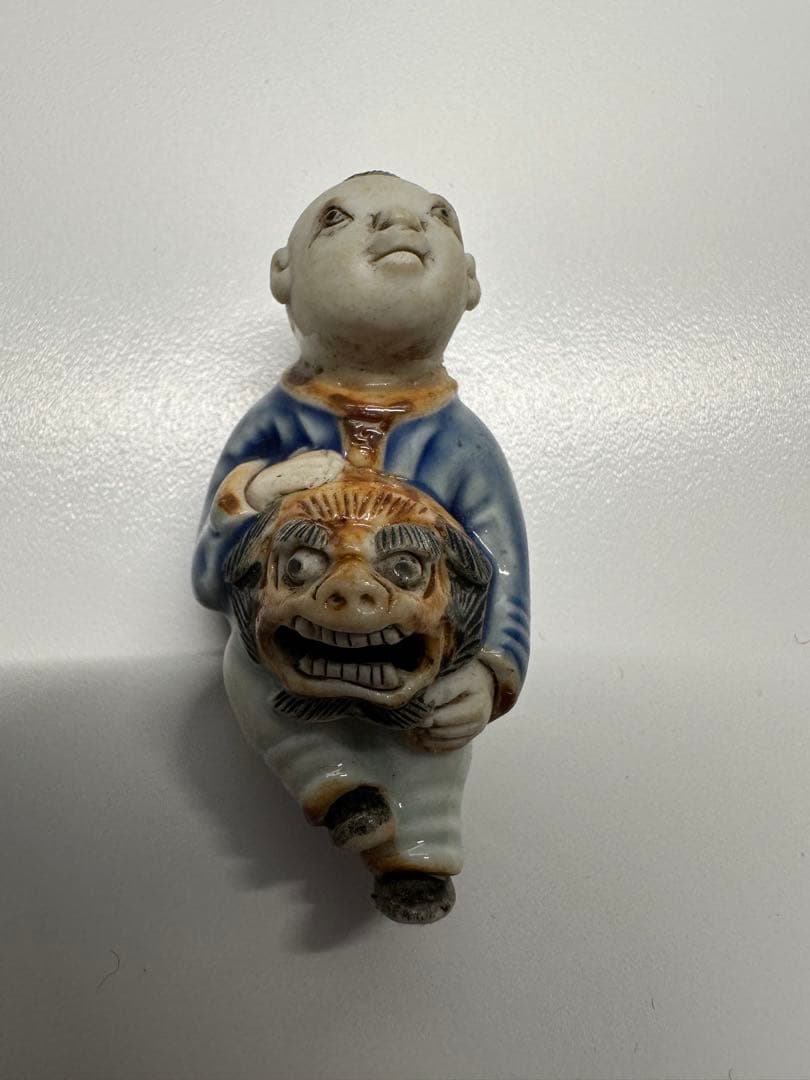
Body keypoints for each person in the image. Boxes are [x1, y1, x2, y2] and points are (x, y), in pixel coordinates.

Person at [193, 171, 530, 922]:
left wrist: (493, 671)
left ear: (469, 282)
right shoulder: (273, 426)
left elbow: (503, 561)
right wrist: (258, 489)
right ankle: (332, 785)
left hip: (417, 645)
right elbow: (214, 576)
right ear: (285, 275)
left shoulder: (464, 445)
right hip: (292, 637)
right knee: (246, 668)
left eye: (436, 218)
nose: (400, 227)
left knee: (441, 722)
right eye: (342, 219)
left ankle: (421, 852)